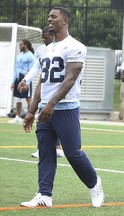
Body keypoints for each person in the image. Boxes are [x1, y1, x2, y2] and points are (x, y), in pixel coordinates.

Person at [20, 7, 104, 208]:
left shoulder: (76, 46)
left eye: (54, 16)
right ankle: (44, 195)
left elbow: (71, 78)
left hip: (65, 107)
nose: (49, 19)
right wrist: (31, 111)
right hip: (45, 108)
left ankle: (94, 184)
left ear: (65, 21)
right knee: (46, 151)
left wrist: (51, 104)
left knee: (73, 153)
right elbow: (42, 82)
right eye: (48, 16)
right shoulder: (44, 50)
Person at [17, 26, 64, 159]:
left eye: (46, 37)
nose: (43, 40)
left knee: (57, 120)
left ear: (53, 35)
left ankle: (59, 147)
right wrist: (25, 79)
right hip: (46, 88)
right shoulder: (42, 50)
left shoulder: (64, 48)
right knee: (43, 118)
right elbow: (36, 67)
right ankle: (46, 148)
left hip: (60, 91)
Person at [9, 39, 35, 124]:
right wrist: (13, 82)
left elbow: (32, 70)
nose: (19, 46)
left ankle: (30, 117)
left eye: (21, 45)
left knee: (28, 99)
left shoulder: (30, 56)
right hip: (18, 78)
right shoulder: (19, 55)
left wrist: (27, 82)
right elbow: (16, 70)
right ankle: (18, 117)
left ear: (26, 45)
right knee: (18, 98)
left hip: (25, 78)